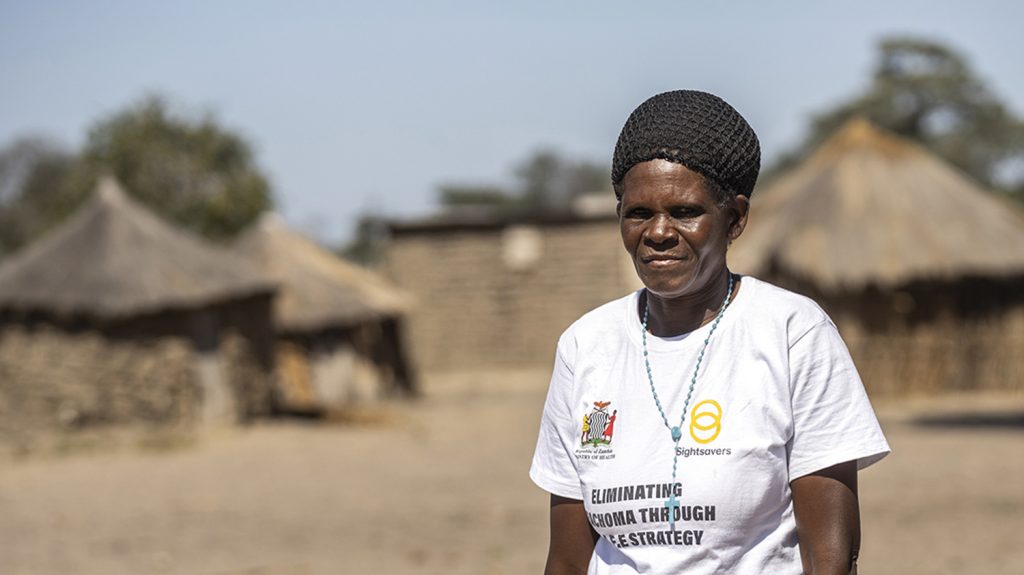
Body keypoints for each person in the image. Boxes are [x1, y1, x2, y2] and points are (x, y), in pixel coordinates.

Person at [529, 90, 890, 574]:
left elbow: (831, 555)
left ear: (735, 218)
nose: (657, 233)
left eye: (684, 212)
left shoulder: (790, 332)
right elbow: (567, 559)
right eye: (638, 213)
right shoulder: (586, 345)